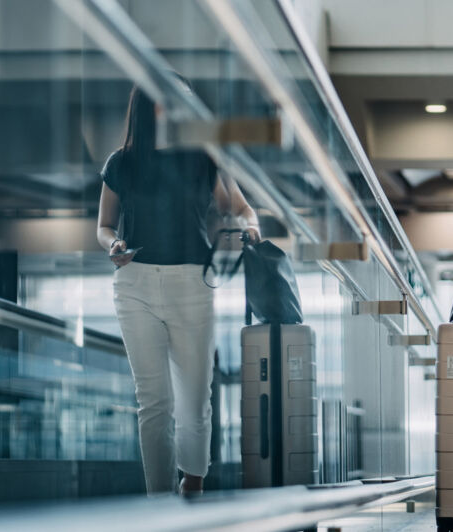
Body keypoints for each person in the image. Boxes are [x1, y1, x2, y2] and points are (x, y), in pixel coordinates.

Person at [97, 79, 260, 496]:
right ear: (148, 110)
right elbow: (103, 226)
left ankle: (193, 484)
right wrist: (111, 244)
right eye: (168, 104)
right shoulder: (122, 162)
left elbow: (240, 207)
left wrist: (250, 226)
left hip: (191, 282)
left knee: (194, 397)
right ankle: (159, 502)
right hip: (134, 284)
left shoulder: (204, 158)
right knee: (153, 402)